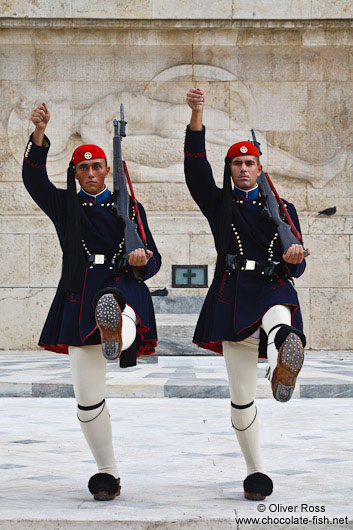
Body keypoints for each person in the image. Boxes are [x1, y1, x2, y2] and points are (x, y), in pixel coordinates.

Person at [23, 103, 161, 500]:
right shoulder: (67, 207)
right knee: (87, 399)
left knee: (118, 302)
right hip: (81, 293)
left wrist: (141, 259)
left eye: (96, 166)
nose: (90, 173)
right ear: (77, 174)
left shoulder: (130, 208)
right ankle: (108, 473)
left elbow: (153, 261)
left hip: (122, 284)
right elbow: (34, 182)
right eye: (82, 168)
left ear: (107, 170)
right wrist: (39, 135)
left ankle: (116, 329)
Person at [184, 88, 310, 501]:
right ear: (231, 168)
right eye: (236, 163)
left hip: (273, 286)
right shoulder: (220, 205)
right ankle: (256, 471)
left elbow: (298, 265)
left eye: (249, 162)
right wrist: (197, 114)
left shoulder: (283, 208)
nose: (242, 168)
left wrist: (294, 256)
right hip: (234, 292)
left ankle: (282, 364)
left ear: (259, 168)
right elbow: (195, 169)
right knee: (241, 398)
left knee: (281, 321)